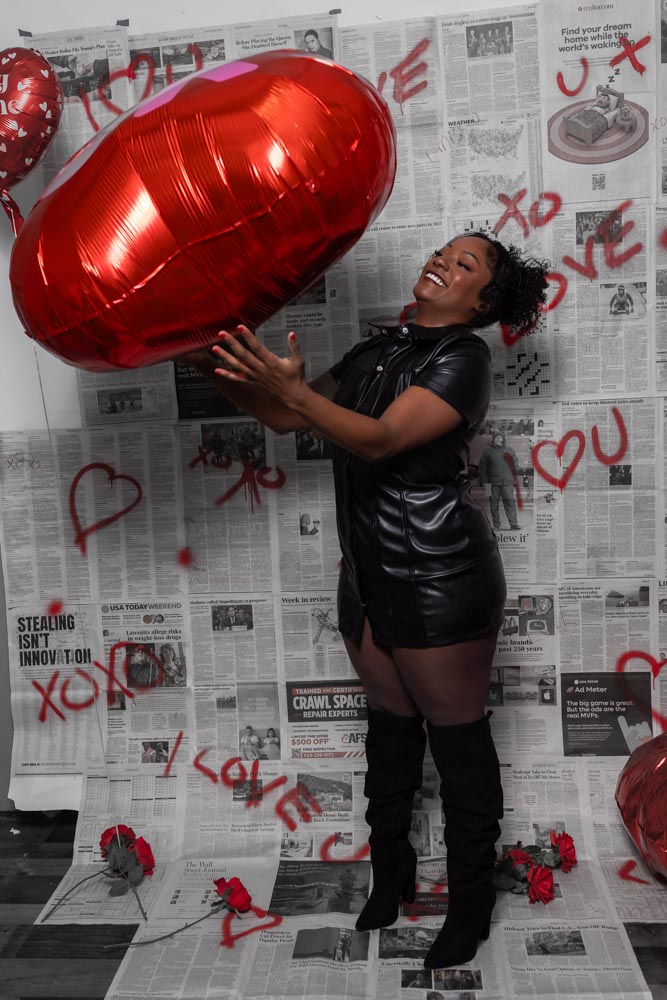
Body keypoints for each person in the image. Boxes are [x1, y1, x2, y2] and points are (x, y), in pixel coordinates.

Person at [180, 233, 548, 968]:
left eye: (465, 265)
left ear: (481, 302)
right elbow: (288, 416)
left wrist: (295, 392)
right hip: (368, 574)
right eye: (444, 252)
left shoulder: (463, 359)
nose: (443, 262)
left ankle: (470, 908)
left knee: (458, 748)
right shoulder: (378, 350)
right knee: (390, 737)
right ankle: (392, 877)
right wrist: (200, 356)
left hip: (440, 576)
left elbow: (378, 440)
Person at [478, 433, 520, 530]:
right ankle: (496, 525)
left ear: (503, 439)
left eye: (500, 437)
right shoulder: (487, 451)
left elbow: (516, 465)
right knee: (494, 504)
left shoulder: (509, 450)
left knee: (510, 503)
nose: (498, 439)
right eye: (496, 437)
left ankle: (514, 524)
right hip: (492, 483)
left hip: (507, 483)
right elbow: (482, 468)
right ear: (493, 440)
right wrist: (485, 483)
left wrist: (512, 476)